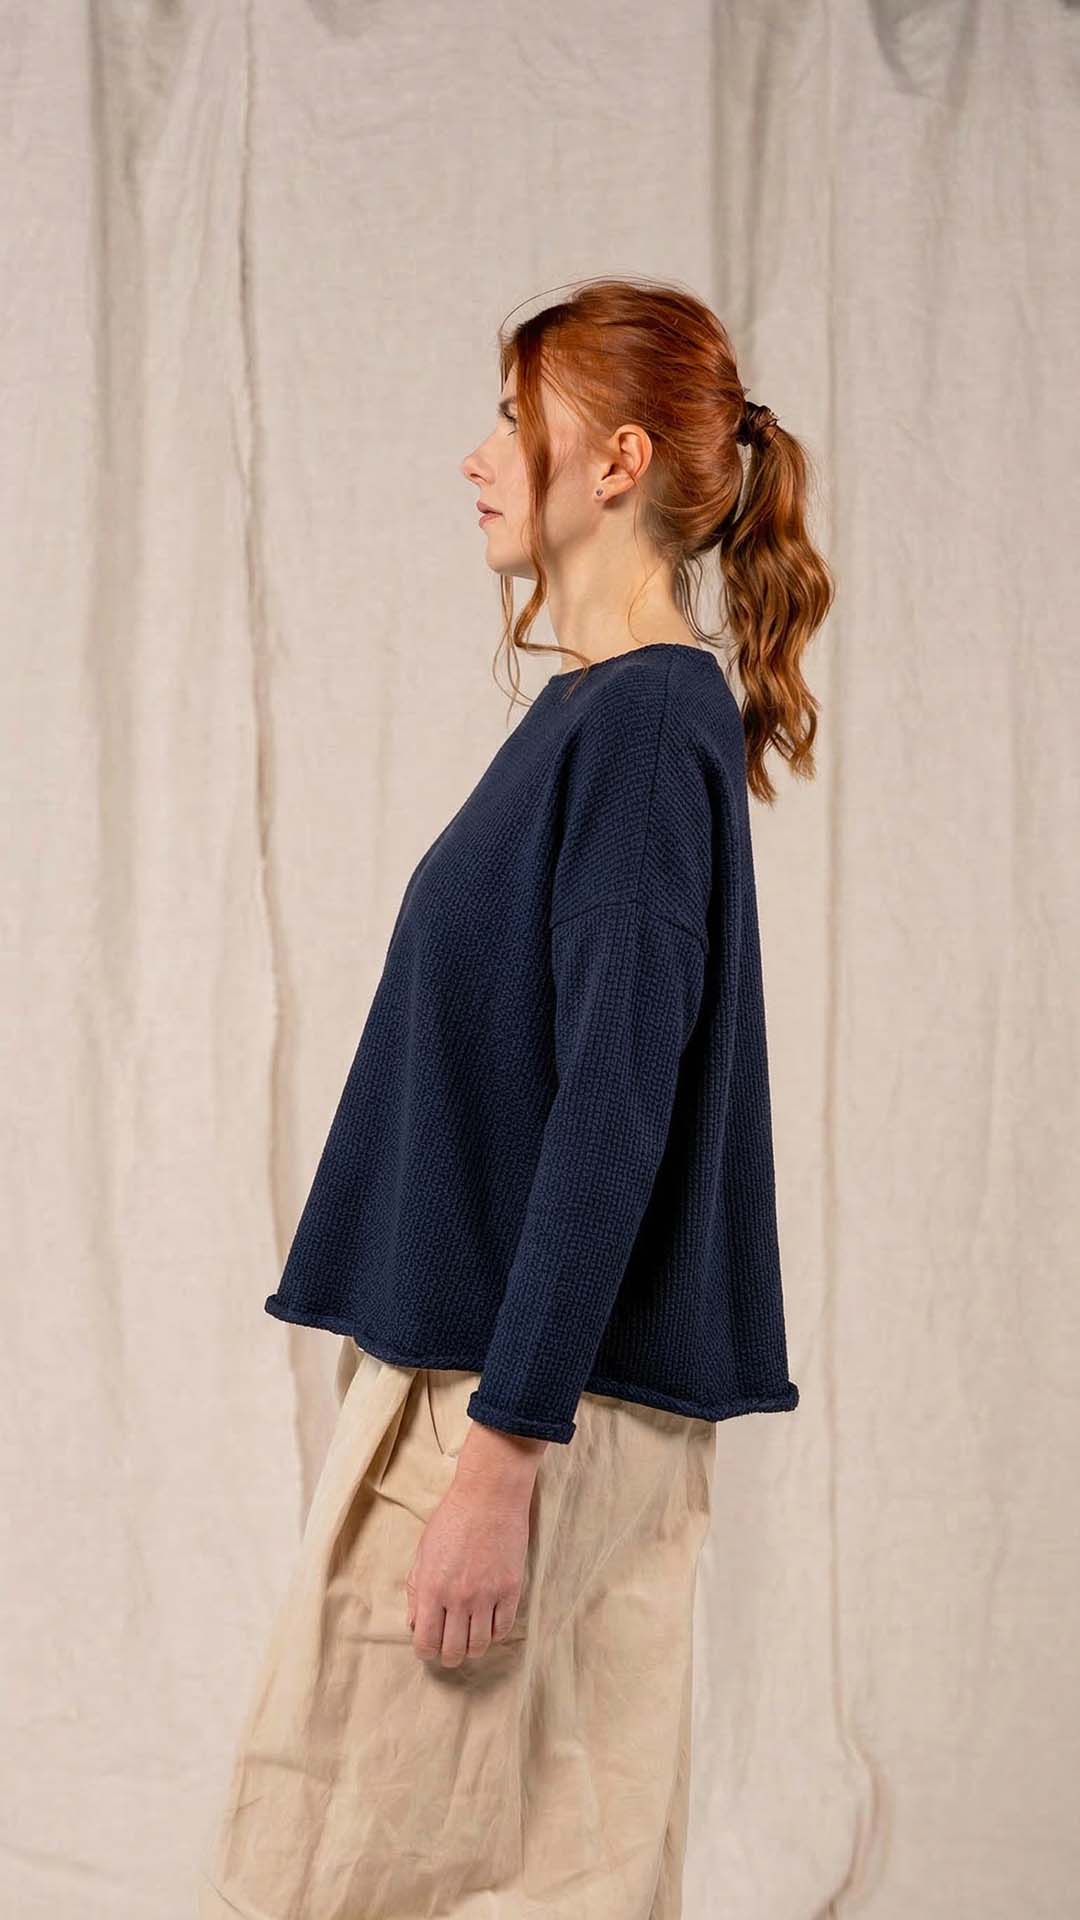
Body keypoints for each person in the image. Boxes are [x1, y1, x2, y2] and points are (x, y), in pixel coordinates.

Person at [197, 274, 834, 1919]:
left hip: (516, 1403)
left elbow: (618, 1100)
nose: (478, 458)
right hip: (521, 1390)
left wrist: (499, 1452)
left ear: (616, 460)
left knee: (341, 1869)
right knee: (516, 1869)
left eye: (510, 418)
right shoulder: (615, 716)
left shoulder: (643, 727)